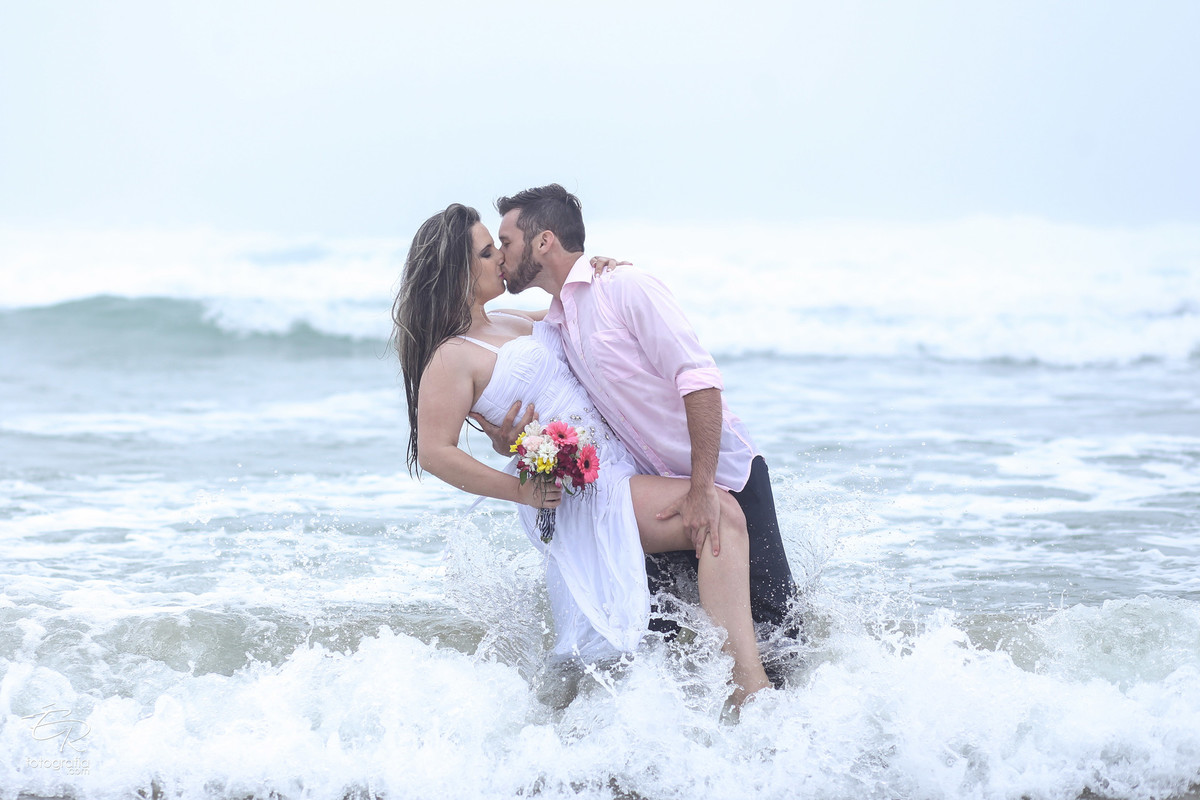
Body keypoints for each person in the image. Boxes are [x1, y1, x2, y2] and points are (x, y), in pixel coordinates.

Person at [392, 203, 770, 708]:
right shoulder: (448, 357)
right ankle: (748, 689)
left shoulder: (508, 319)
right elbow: (435, 453)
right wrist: (519, 489)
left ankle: (709, 684)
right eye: (488, 252)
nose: (500, 259)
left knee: (699, 554)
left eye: (499, 246)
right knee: (719, 515)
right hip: (582, 490)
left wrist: (597, 272)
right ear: (459, 270)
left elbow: (573, 312)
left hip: (623, 465)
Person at [476, 184, 800, 668]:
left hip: (723, 479)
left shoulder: (625, 287)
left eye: (506, 241)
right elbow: (513, 356)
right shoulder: (558, 321)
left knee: (777, 641)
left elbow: (701, 382)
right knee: (677, 650)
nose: (501, 255)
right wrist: (509, 442)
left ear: (544, 242)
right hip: (652, 495)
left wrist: (701, 487)